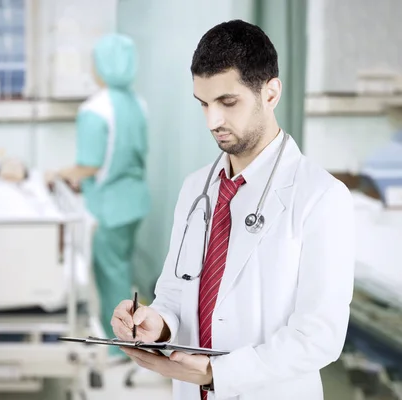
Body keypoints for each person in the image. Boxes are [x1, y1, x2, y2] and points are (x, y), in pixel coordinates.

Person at [110, 20, 355, 399]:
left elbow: (319, 336)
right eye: (204, 104)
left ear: (270, 94)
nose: (213, 121)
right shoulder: (196, 189)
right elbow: (175, 293)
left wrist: (216, 372)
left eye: (227, 102)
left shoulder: (321, 197)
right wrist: (154, 323)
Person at [48, 33, 150, 354]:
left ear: (100, 66)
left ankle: (120, 347)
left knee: (111, 278)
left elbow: (90, 165)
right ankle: (126, 338)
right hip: (134, 201)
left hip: (108, 207)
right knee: (121, 270)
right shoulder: (138, 103)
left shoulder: (95, 108)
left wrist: (59, 174)